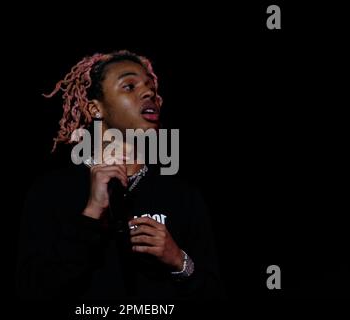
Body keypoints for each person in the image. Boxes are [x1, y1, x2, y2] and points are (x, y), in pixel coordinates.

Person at [16, 50, 223, 300]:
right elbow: (33, 291)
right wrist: (92, 213)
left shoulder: (182, 194)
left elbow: (212, 294)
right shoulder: (51, 191)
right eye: (129, 86)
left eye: (151, 88)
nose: (149, 94)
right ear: (95, 108)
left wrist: (178, 260)